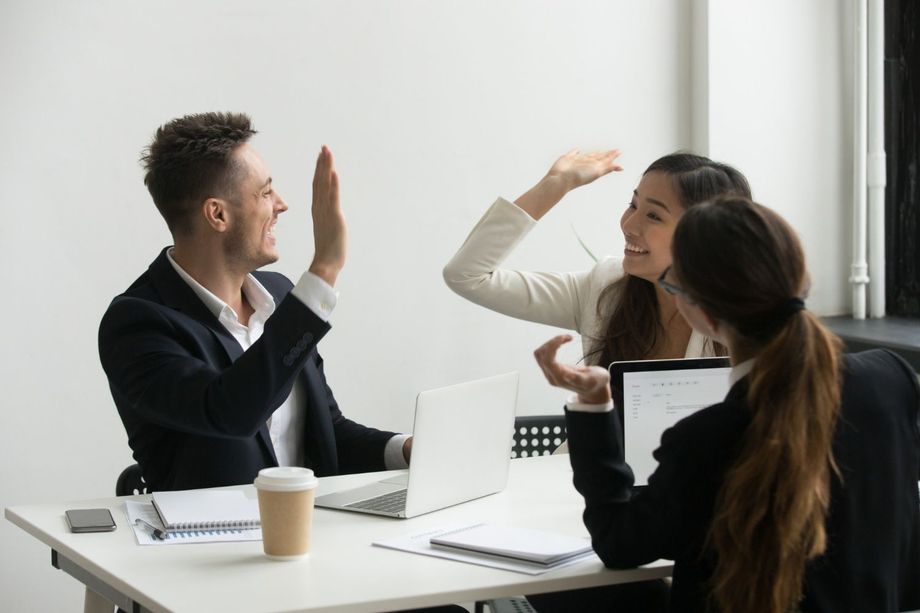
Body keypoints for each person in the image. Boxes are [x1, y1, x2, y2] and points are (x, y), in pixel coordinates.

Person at [533, 196, 920, 613]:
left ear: (701, 311)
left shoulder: (709, 438)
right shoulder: (890, 379)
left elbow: (619, 544)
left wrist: (595, 404)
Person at [99, 112, 412, 492]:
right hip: (209, 547)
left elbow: (326, 435)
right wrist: (324, 271)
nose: (281, 205)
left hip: (309, 536)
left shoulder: (281, 297)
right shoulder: (137, 323)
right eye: (265, 193)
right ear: (217, 214)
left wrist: (405, 450)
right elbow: (230, 412)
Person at [443, 149, 752, 378]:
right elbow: (468, 276)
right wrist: (556, 184)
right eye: (632, 204)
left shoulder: (750, 318)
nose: (629, 224)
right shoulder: (604, 287)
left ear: (704, 233)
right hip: (589, 464)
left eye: (653, 215)